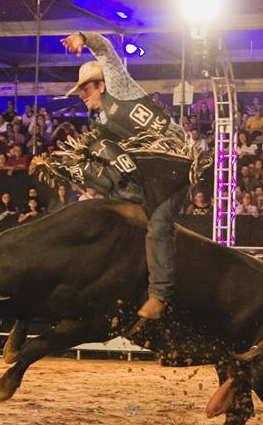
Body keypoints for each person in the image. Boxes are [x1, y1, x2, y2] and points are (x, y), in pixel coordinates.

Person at [59, 31, 191, 322]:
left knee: (159, 224)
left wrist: (84, 37)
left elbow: (106, 52)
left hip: (173, 159)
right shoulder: (101, 121)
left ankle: (160, 295)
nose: (82, 96)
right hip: (148, 170)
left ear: (100, 85)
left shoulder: (119, 88)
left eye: (85, 90)